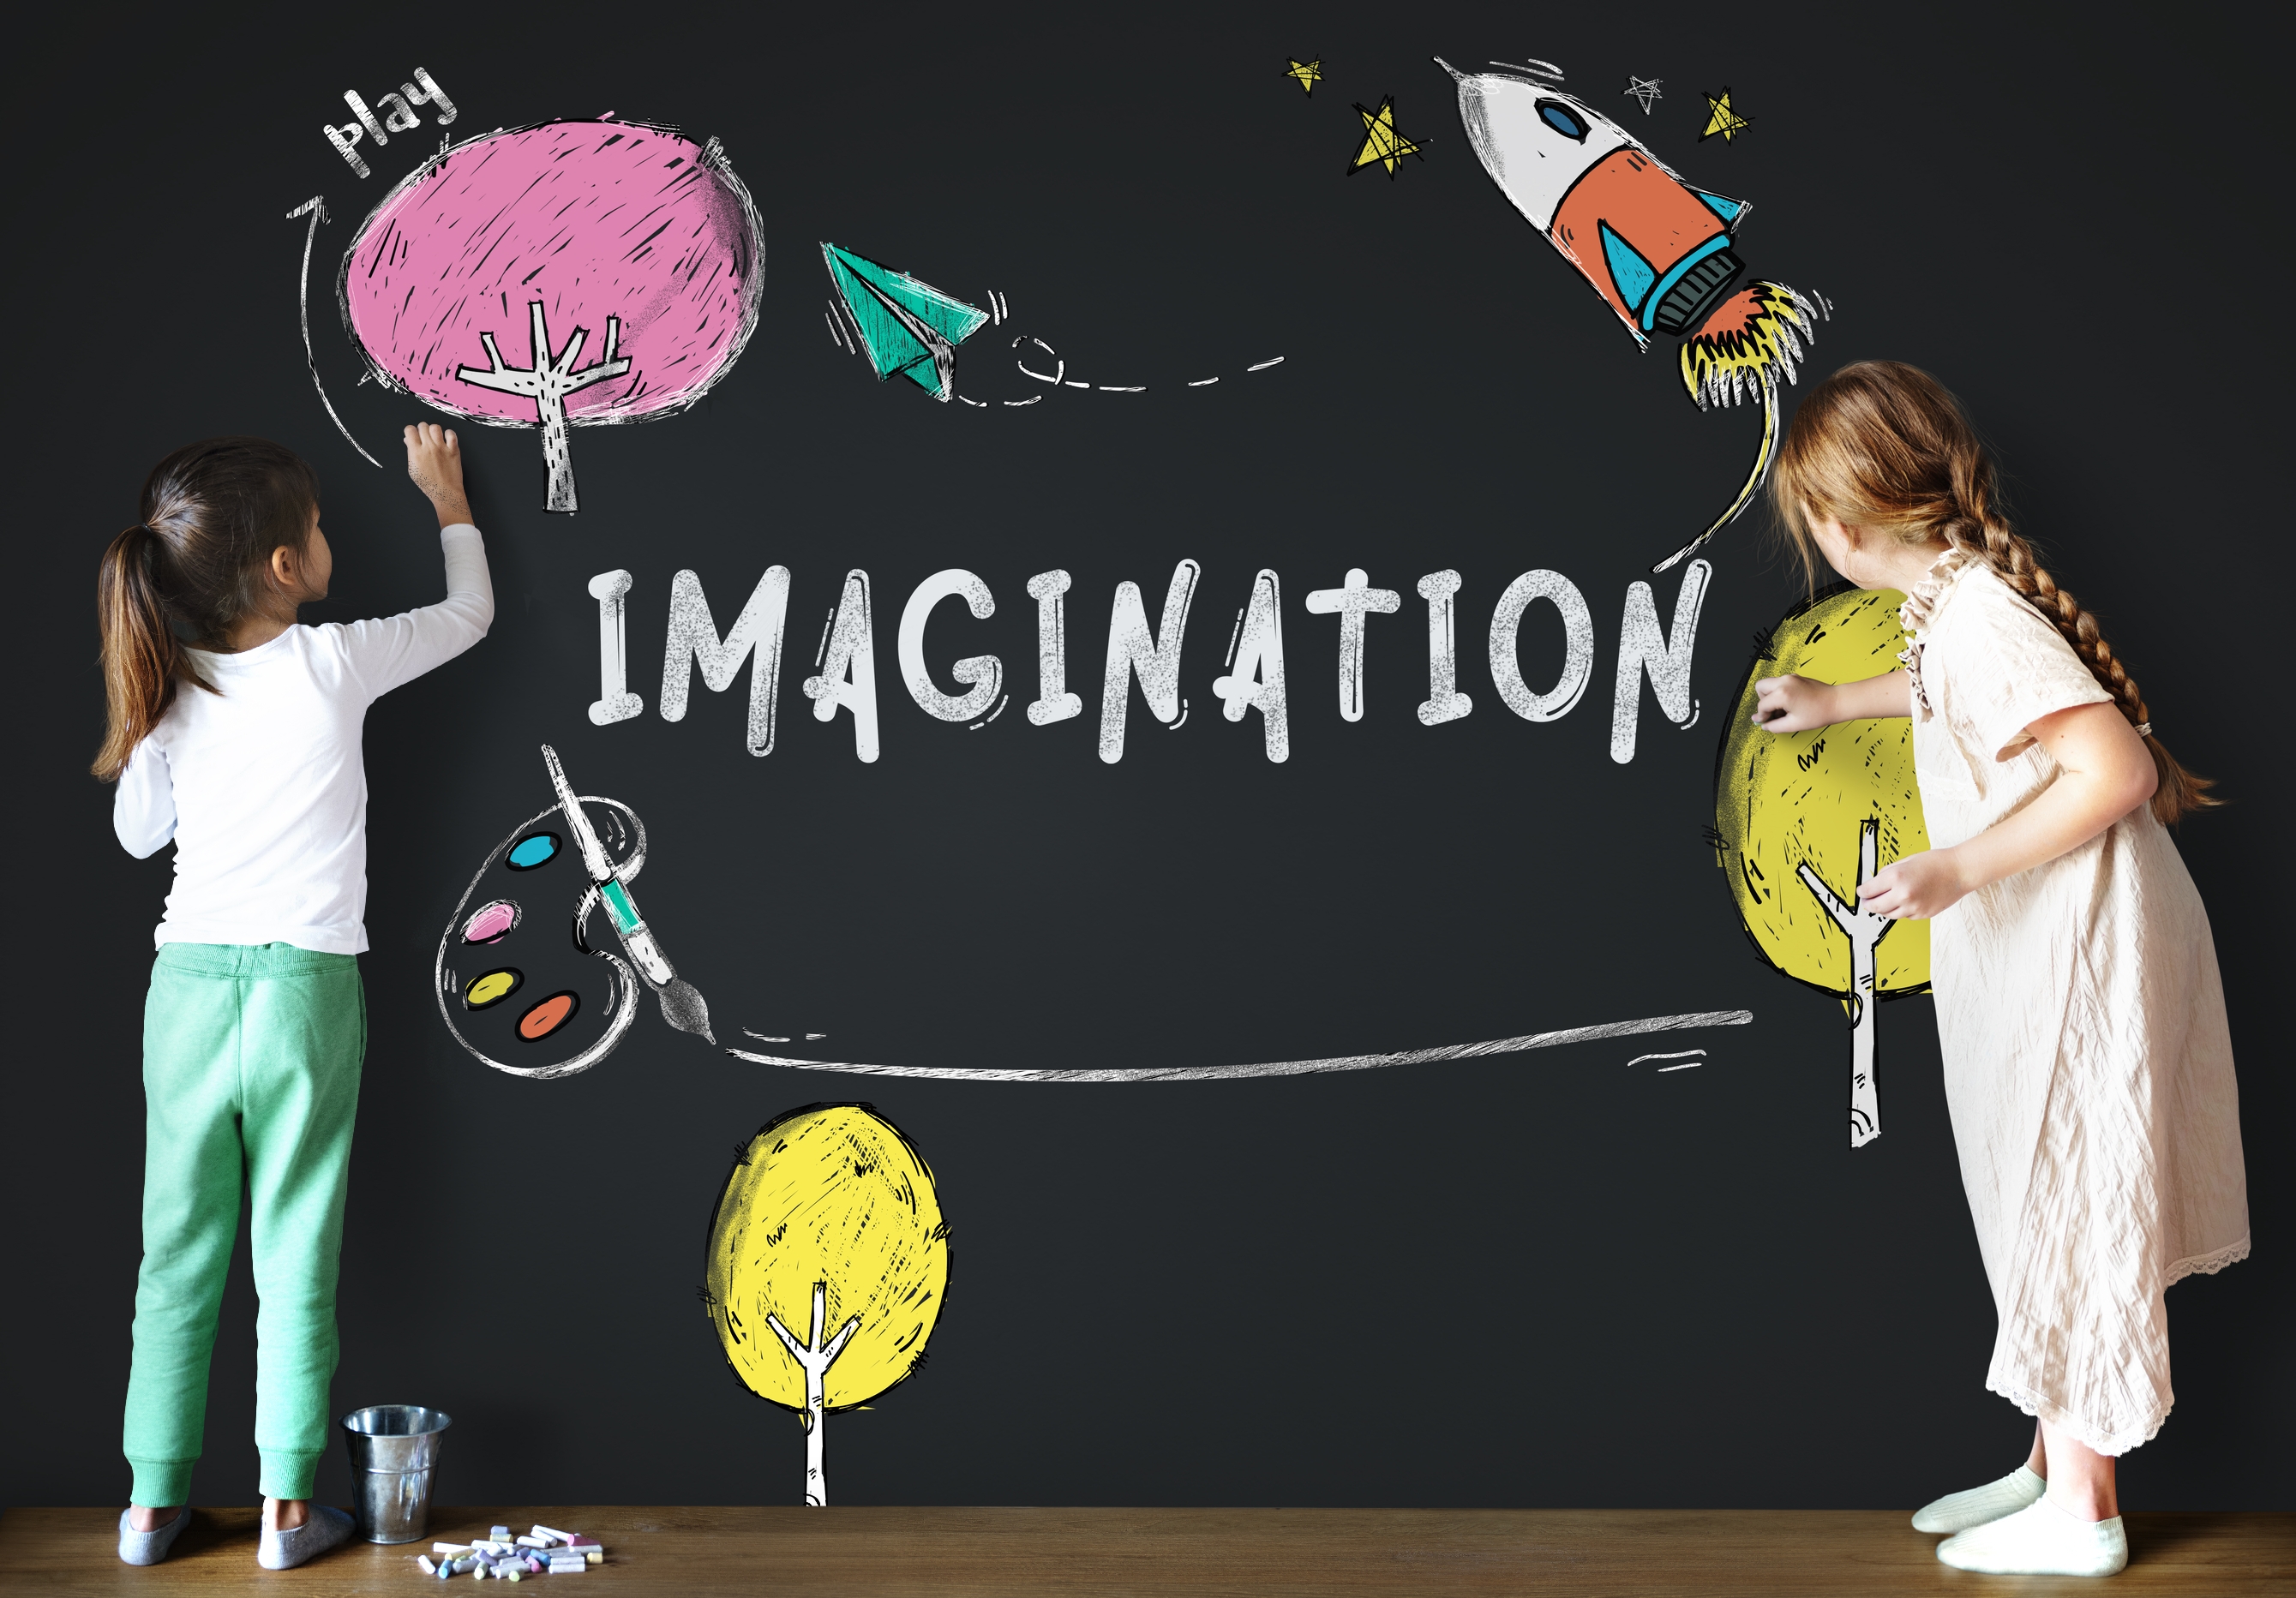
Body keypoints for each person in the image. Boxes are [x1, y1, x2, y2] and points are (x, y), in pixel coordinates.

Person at [1751, 362, 2248, 1577]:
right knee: (2040, 1193)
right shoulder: (1956, 606)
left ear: (1845, 518)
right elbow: (1959, 695)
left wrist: (1954, 868)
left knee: (2069, 1196)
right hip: (2053, 940)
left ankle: (2085, 1507)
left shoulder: (1977, 614)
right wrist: (1838, 701)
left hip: (2084, 942)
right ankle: (2048, 1464)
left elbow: (2117, 772)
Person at [97, 425, 492, 1570]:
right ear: (284, 568)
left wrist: (147, 722)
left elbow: (137, 838)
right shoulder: (332, 662)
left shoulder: (171, 689)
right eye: (315, 529)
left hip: (187, 988)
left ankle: (149, 1508)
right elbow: (469, 616)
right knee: (295, 1252)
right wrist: (446, 498)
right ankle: (285, 1513)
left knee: (175, 1254)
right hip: (304, 988)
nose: (327, 540)